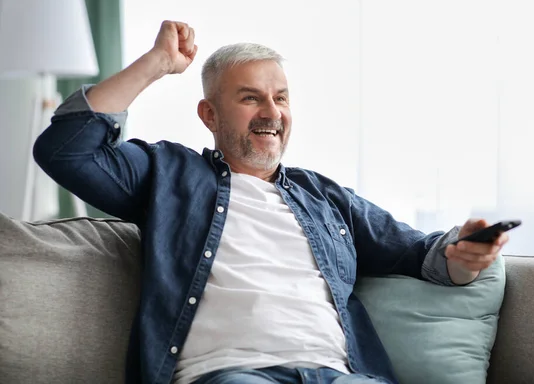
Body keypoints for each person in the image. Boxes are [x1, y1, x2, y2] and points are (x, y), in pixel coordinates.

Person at [34, 21, 509, 384]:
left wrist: (466, 255)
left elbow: (422, 254)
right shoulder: (168, 175)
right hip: (231, 373)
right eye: (250, 98)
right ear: (209, 114)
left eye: (280, 97)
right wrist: (157, 63)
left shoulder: (323, 197)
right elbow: (66, 150)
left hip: (338, 374)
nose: (272, 112)